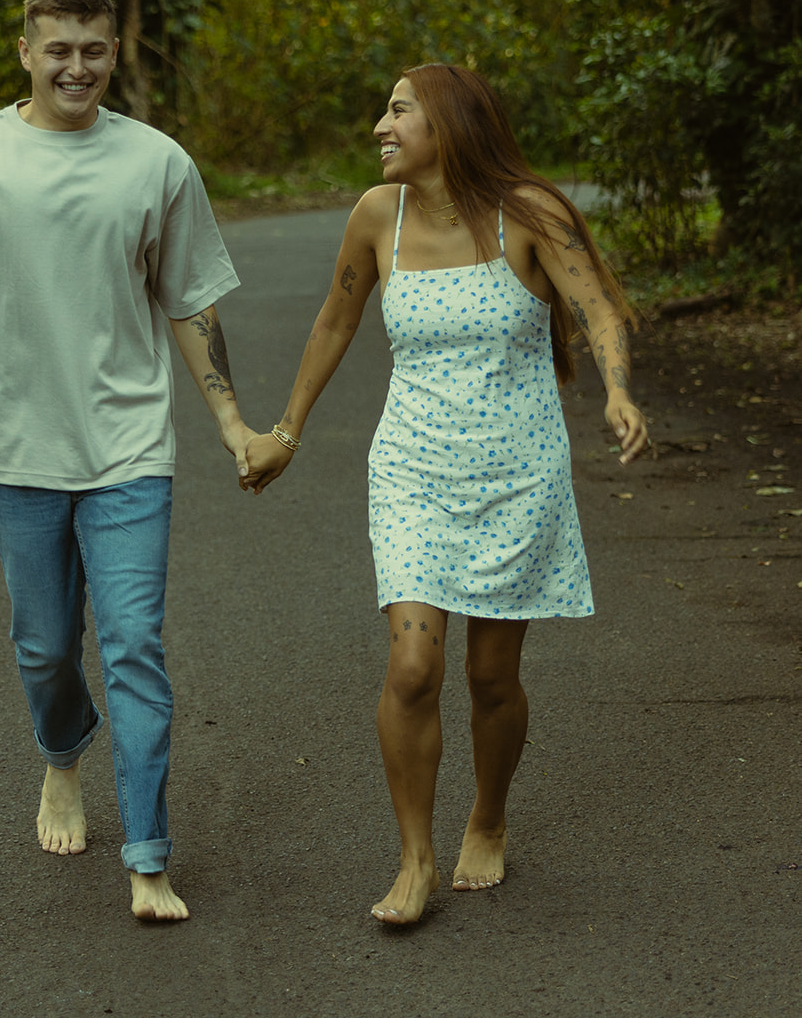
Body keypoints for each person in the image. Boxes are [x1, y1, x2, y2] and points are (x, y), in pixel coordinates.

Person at [0, 0, 262, 923]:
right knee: (43, 648)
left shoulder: (158, 163)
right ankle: (59, 758)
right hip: (14, 446)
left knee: (133, 646)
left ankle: (148, 857)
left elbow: (190, 302)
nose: (75, 67)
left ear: (115, 52)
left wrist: (233, 425)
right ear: (25, 51)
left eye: (93, 49)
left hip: (129, 447)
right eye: (58, 49)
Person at [242, 63, 647, 925]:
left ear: (450, 124)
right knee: (414, 667)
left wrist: (615, 390)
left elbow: (600, 310)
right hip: (412, 474)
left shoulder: (531, 214)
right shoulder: (373, 217)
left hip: (516, 476)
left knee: (492, 678)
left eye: (396, 111)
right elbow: (335, 320)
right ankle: (414, 859)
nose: (379, 126)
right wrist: (286, 431)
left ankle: (489, 818)